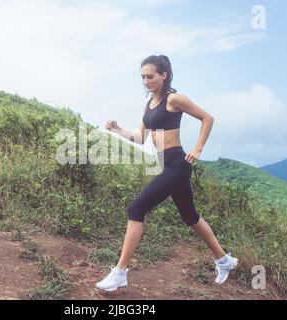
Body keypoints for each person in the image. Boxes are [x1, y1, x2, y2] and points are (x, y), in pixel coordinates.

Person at [96, 55, 238, 292]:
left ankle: (120, 273)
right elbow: (140, 138)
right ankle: (225, 261)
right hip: (168, 165)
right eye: (142, 77)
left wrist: (198, 148)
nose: (145, 81)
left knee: (136, 209)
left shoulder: (174, 99)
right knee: (190, 216)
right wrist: (117, 129)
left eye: (150, 76)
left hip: (177, 164)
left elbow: (207, 118)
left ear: (164, 75)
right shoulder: (150, 104)